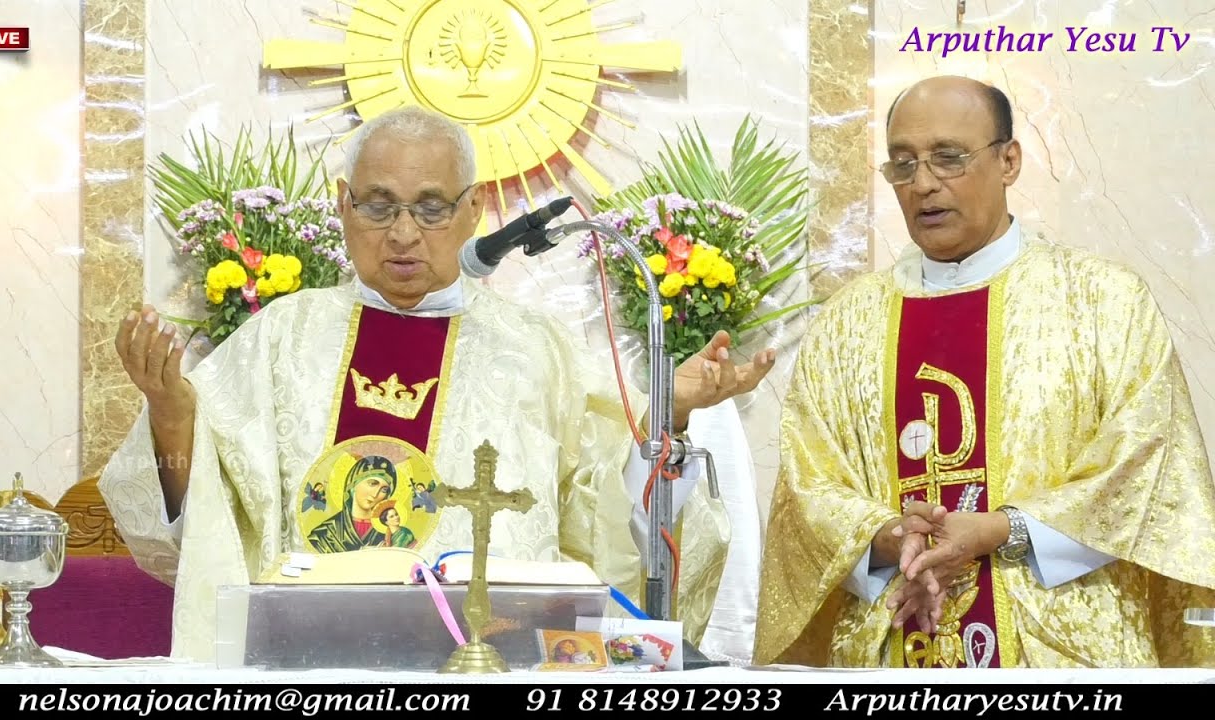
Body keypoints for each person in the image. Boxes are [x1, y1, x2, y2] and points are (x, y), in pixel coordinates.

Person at [100, 106, 776, 662]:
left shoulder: (538, 351)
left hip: (503, 664)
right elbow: (198, 531)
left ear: (473, 210)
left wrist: (669, 418)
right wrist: (171, 415)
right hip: (314, 667)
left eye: (429, 208)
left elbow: (607, 537)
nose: (402, 234)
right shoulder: (280, 339)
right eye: (378, 206)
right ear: (342, 206)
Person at [753, 75, 1215, 668]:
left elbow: (1149, 472)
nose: (923, 184)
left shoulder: (1105, 302)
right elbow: (808, 487)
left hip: (1061, 652)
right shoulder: (845, 324)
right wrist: (888, 537)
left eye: (949, 157)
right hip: (893, 645)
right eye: (902, 164)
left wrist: (1005, 529)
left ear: (1009, 161)